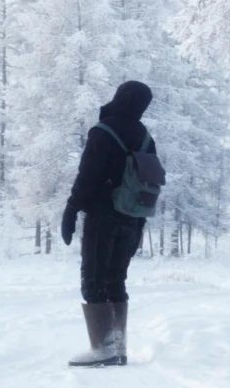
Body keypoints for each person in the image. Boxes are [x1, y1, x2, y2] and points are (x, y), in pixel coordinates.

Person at [60, 79, 157, 367]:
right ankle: (118, 348)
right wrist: (139, 225)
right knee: (116, 279)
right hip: (132, 218)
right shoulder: (145, 137)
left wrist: (71, 208)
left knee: (93, 278)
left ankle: (103, 349)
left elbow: (87, 175)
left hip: (103, 216)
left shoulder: (103, 131)